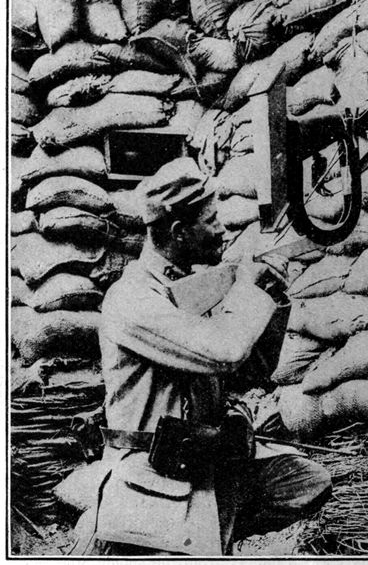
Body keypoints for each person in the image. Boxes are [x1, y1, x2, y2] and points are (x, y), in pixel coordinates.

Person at [75, 157, 331, 556]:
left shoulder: (197, 285)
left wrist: (272, 297)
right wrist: (248, 291)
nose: (223, 230)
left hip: (205, 460)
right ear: (179, 232)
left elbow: (250, 374)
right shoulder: (132, 298)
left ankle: (211, 532)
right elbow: (225, 352)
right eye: (212, 221)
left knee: (304, 481)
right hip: (151, 469)